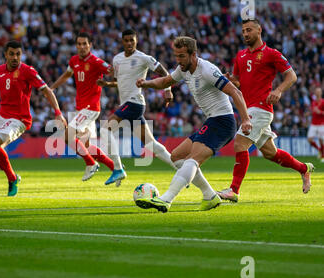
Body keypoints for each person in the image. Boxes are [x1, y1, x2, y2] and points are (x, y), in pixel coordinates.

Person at [134, 36, 252, 212]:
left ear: (193, 54)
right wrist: (146, 83)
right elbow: (166, 81)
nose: (178, 60)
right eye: (176, 56)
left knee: (192, 159)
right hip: (212, 120)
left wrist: (246, 119)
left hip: (223, 121)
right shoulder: (184, 69)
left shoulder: (207, 70)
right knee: (176, 156)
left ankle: (166, 199)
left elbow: (235, 92)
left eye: (182, 56)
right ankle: (210, 196)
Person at [217, 19, 314, 203]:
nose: (245, 34)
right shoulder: (240, 56)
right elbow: (238, 82)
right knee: (271, 153)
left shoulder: (271, 54)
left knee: (240, 144)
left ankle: (233, 190)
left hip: (261, 108)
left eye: (249, 30)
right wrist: (230, 80)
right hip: (248, 108)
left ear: (259, 30)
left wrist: (278, 91)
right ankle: (304, 169)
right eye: (243, 31)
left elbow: (291, 75)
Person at [0, 40, 67, 196]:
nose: (15, 57)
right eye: (12, 54)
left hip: (19, 119)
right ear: (5, 55)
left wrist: (58, 112)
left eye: (18, 54)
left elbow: (47, 91)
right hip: (2, 115)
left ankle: (12, 178)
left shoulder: (28, 71)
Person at [97, 29, 176, 186]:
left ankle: (118, 169)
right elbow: (119, 82)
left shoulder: (143, 58)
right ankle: (181, 168)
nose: (129, 43)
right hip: (128, 104)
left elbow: (164, 72)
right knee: (150, 144)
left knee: (105, 129)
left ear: (136, 40)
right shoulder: (117, 59)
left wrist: (168, 90)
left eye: (132, 40)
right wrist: (106, 84)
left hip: (134, 103)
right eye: (126, 40)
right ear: (122, 41)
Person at [50, 32, 115, 181]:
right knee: (85, 145)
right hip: (81, 108)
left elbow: (112, 71)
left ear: (90, 45)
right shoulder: (74, 60)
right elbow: (67, 75)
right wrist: (52, 88)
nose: (81, 47)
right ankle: (115, 168)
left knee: (67, 136)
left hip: (91, 107)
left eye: (84, 44)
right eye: (79, 44)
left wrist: (111, 82)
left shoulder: (96, 61)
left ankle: (90, 164)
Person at [307, 87, 324, 162]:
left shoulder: (323, 102)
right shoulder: (313, 102)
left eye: (319, 91)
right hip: (313, 123)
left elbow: (319, 112)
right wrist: (308, 113)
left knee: (321, 139)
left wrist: (320, 112)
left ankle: (323, 155)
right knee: (309, 139)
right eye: (316, 91)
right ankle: (319, 149)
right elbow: (313, 111)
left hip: (321, 124)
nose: (317, 93)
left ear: (321, 93)